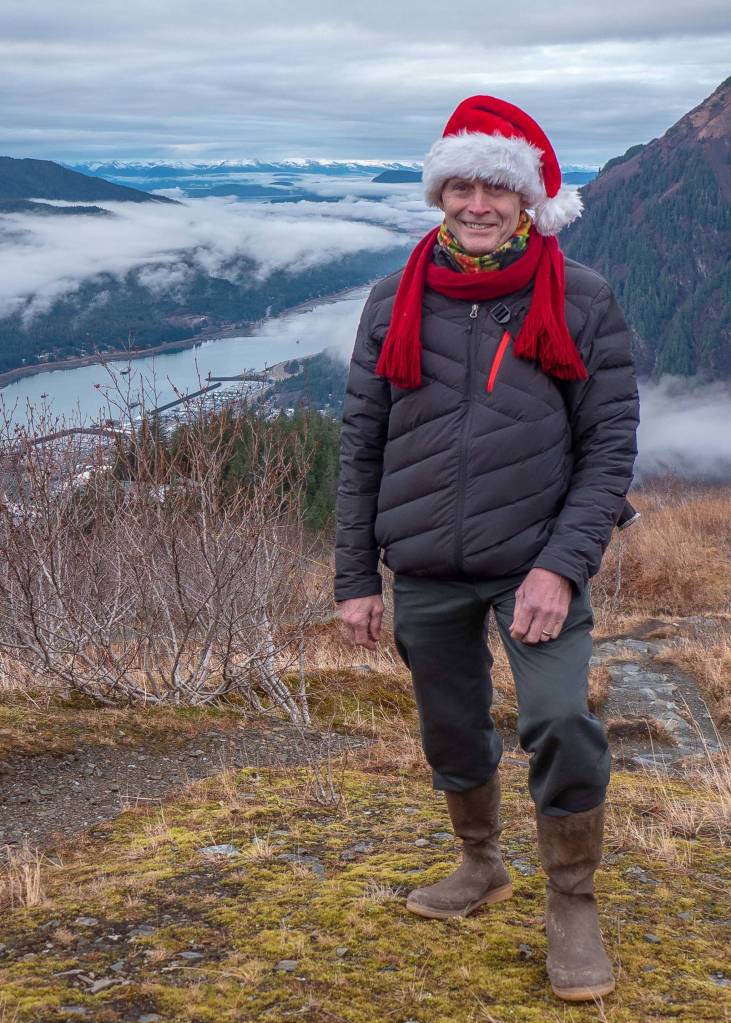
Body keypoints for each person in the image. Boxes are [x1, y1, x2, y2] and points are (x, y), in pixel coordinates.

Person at [334, 94, 640, 1003]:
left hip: (532, 558)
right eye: (459, 185)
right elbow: (361, 440)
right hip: (423, 558)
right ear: (439, 193)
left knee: (558, 721)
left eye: (493, 189)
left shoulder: (577, 297)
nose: (475, 204)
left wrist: (560, 565)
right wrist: (355, 575)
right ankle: (479, 863)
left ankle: (571, 901)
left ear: (526, 200)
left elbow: (609, 449)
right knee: (450, 728)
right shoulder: (395, 296)